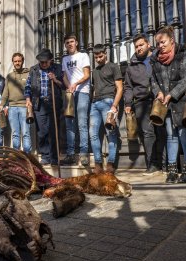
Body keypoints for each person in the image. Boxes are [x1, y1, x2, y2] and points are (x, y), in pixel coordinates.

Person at [150, 26, 186, 183]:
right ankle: (172, 171)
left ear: (171, 40)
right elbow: (153, 80)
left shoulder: (183, 53)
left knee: (185, 134)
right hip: (166, 104)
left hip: (181, 101)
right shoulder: (155, 59)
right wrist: (159, 92)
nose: (160, 46)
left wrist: (171, 94)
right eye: (158, 43)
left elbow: (185, 80)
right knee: (171, 135)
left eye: (163, 42)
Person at [124, 34, 162, 175]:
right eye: (136, 46)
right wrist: (128, 102)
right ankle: (152, 164)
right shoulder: (131, 66)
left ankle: (167, 163)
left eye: (141, 45)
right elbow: (128, 87)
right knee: (147, 133)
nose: (139, 48)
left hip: (160, 99)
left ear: (148, 44)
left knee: (163, 132)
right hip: (141, 101)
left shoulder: (158, 57)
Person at [24, 48, 63, 165]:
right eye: (41, 62)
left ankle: (54, 157)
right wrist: (28, 99)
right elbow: (28, 86)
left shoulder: (57, 68)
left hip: (53, 103)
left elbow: (63, 85)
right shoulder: (34, 70)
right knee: (42, 132)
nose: (44, 64)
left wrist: (55, 79)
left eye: (46, 62)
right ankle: (45, 156)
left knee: (53, 131)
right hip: (39, 104)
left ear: (50, 60)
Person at [90, 44, 123, 174]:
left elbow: (120, 88)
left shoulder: (114, 67)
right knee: (93, 134)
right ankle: (98, 165)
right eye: (96, 57)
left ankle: (110, 164)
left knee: (111, 133)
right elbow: (94, 89)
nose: (98, 59)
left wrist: (114, 106)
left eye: (100, 56)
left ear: (105, 53)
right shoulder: (95, 71)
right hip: (95, 104)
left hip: (109, 102)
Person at [61, 33, 91, 165]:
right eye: (67, 42)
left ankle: (84, 154)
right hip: (70, 94)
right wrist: (69, 86)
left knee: (82, 124)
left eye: (72, 41)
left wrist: (75, 84)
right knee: (69, 125)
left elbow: (87, 75)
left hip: (82, 92)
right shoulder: (65, 59)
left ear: (76, 43)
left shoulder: (83, 56)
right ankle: (70, 154)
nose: (70, 44)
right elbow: (64, 76)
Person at [0, 53, 31, 153]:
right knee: (15, 133)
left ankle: (27, 156)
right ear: (13, 62)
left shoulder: (28, 74)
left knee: (26, 132)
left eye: (19, 61)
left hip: (24, 106)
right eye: (15, 61)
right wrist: (1, 105)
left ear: (22, 61)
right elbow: (5, 93)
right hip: (12, 108)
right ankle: (16, 155)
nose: (17, 63)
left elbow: (32, 90)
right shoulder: (9, 76)